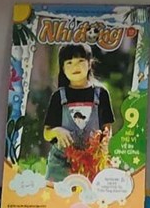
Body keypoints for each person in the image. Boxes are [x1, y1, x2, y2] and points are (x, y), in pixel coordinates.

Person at [43, 43, 115, 181]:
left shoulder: (101, 93)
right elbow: (46, 133)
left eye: (80, 61)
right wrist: (57, 131)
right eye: (69, 63)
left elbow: (107, 128)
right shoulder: (58, 96)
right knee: (55, 194)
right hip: (61, 163)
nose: (75, 67)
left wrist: (103, 144)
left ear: (89, 64)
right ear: (62, 68)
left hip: (92, 162)